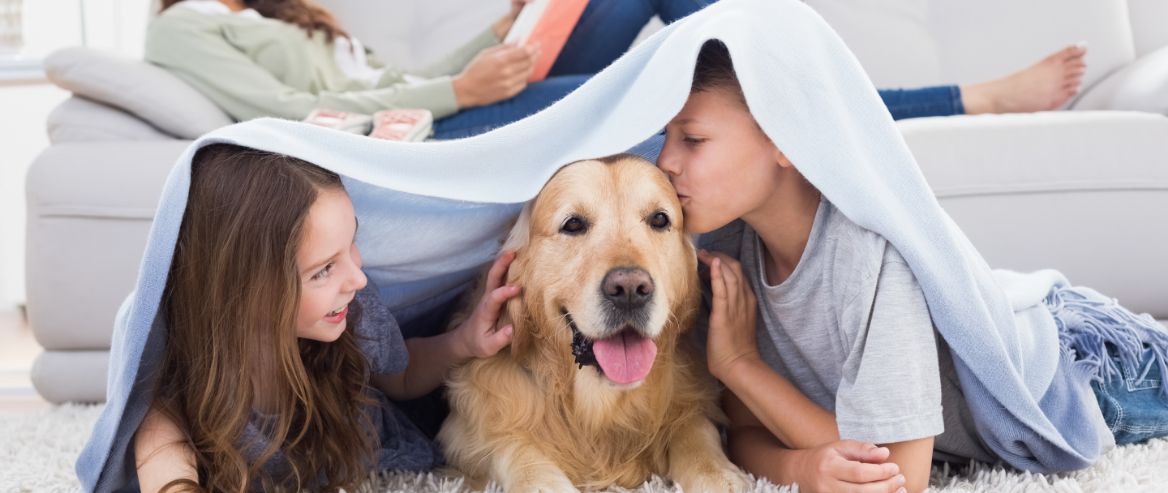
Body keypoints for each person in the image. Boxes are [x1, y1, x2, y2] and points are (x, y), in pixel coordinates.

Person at [643, 40, 1168, 493]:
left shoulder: (865, 251)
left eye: (692, 138)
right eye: (666, 136)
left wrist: (739, 363)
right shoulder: (719, 247)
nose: (665, 160)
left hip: (1083, 370)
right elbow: (743, 431)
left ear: (784, 137)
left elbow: (899, 472)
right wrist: (800, 467)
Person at [131, 144, 522, 491]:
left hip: (373, 458)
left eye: (352, 243)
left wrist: (464, 341)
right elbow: (160, 450)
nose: (358, 278)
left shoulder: (354, 310)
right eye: (323, 270)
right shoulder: (190, 381)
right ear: (250, 292)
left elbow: (402, 377)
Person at [147, 0, 1087, 140]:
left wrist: (510, 25)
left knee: (712, 66)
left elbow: (415, 69)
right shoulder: (179, 25)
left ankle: (821, 82)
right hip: (419, 140)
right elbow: (292, 112)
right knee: (696, 88)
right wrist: (453, 94)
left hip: (445, 106)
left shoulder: (276, 13)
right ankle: (957, 102)